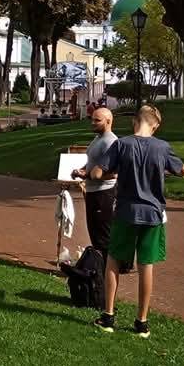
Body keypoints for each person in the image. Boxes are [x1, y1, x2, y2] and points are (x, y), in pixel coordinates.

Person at [91, 105, 184, 338]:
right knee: (146, 266)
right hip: (153, 214)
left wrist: (114, 173)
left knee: (113, 261)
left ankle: (108, 317)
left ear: (135, 122)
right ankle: (142, 322)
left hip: (125, 212)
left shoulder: (122, 144)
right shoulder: (162, 147)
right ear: (154, 125)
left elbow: (96, 174)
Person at [69, 108, 118, 257]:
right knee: (95, 233)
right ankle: (98, 268)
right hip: (93, 192)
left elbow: (113, 174)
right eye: (92, 119)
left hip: (103, 195)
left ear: (108, 121)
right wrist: (82, 170)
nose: (93, 123)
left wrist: (89, 176)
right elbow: (93, 162)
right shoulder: (98, 138)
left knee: (102, 235)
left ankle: (104, 270)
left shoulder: (111, 142)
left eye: (97, 120)